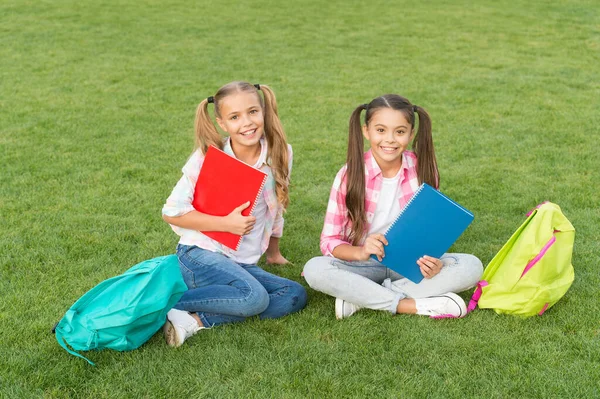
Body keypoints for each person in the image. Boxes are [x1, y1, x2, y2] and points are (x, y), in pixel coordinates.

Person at [303, 94, 483, 319]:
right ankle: (408, 304)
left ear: (411, 134)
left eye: (399, 131)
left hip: (410, 264)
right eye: (380, 130)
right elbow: (329, 241)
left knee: (471, 266)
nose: (389, 140)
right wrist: (361, 251)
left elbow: (430, 230)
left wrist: (433, 262)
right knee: (314, 269)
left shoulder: (423, 169)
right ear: (366, 131)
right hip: (364, 266)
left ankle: (362, 300)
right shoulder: (348, 175)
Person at [162, 81, 307, 347]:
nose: (247, 123)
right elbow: (171, 212)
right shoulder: (208, 157)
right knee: (255, 297)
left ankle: (192, 320)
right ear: (222, 123)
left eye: (253, 112)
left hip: (241, 261)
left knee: (293, 294)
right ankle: (163, 302)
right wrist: (225, 224)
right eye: (235, 117)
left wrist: (273, 253)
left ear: (263, 111)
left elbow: (277, 206)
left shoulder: (280, 153)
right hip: (201, 253)